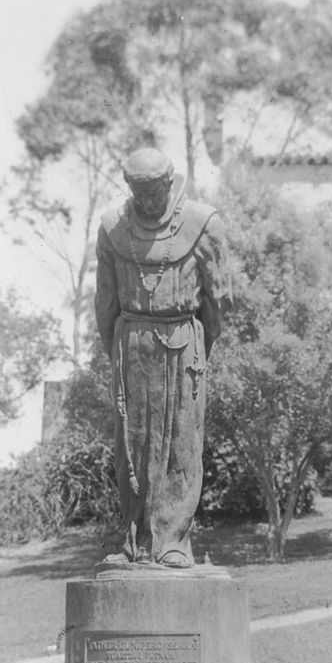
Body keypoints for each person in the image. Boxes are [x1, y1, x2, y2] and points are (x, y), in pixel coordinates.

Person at [94, 147, 229, 567]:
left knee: (181, 444)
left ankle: (173, 541)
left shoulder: (204, 224)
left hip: (184, 344)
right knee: (132, 445)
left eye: (156, 191)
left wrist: (198, 348)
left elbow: (219, 299)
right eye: (141, 191)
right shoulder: (112, 228)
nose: (150, 200)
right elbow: (105, 302)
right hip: (131, 344)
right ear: (130, 187)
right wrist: (120, 349)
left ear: (170, 183)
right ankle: (134, 541)